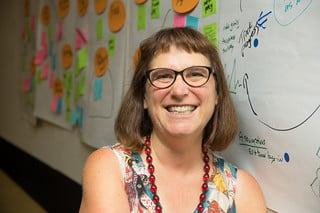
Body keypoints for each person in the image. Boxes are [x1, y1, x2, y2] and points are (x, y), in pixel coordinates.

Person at [79, 27, 266, 213]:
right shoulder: (110, 168)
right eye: (163, 76)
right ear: (144, 97)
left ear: (217, 93)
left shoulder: (241, 190)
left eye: (195, 74)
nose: (179, 91)